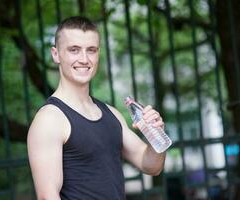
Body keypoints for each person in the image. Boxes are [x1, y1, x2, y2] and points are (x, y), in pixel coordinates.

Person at [27, 16, 166, 200]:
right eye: (74, 50)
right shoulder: (49, 119)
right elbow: (47, 196)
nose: (84, 59)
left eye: (91, 50)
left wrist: (157, 136)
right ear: (56, 54)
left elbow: (151, 165)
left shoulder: (112, 114)